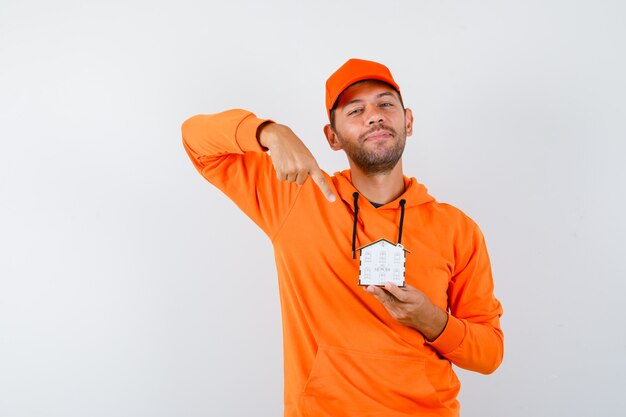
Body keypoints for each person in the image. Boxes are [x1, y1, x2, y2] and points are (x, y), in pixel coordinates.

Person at [182, 58, 504, 417]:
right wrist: (270, 132)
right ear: (331, 137)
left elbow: (490, 354)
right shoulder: (297, 197)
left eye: (385, 104)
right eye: (355, 109)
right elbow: (195, 139)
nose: (374, 115)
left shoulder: (457, 229)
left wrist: (431, 320)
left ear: (408, 121)